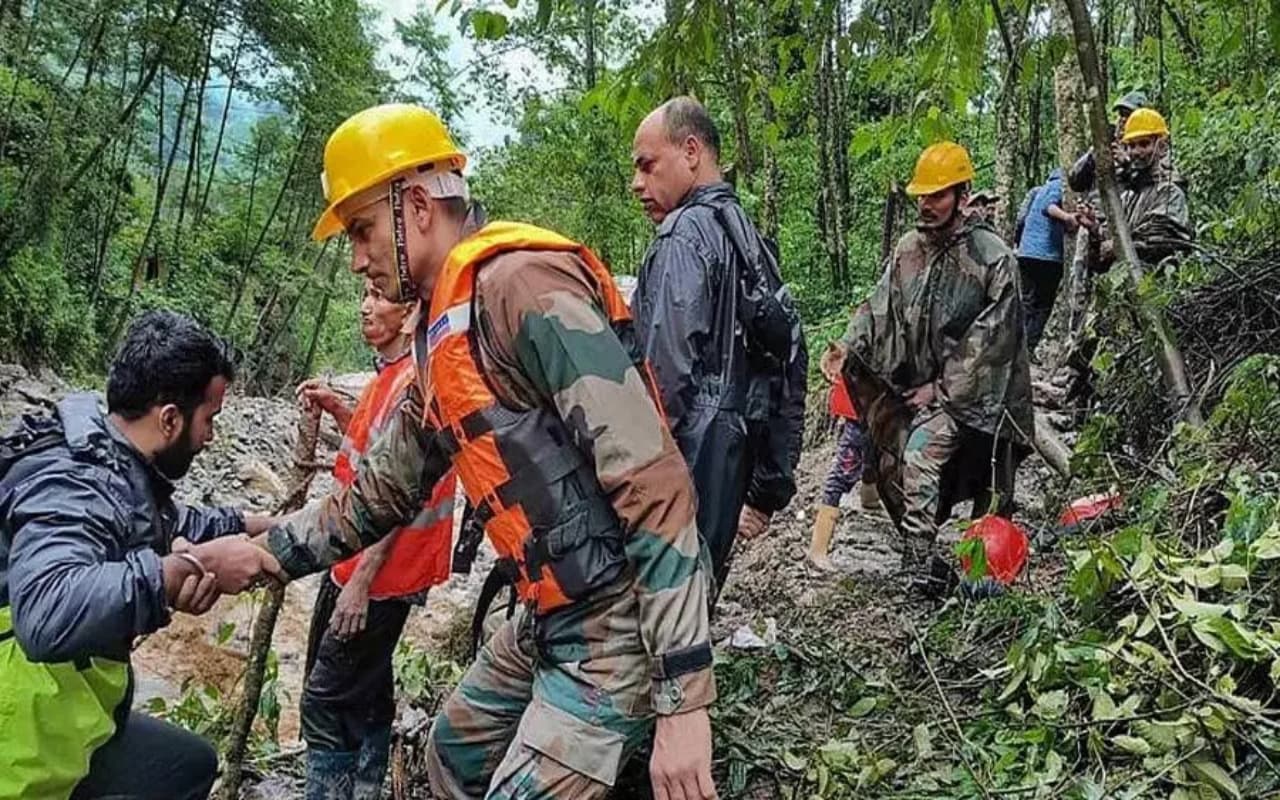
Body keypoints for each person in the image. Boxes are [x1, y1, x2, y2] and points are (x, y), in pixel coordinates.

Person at [257, 104, 717, 800]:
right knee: (448, 759)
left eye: (361, 230)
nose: (356, 258)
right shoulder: (443, 332)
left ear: (414, 207)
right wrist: (262, 554)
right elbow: (382, 488)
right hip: (549, 612)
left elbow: (655, 482)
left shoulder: (522, 287)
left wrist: (685, 703)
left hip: (616, 619)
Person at [0, 310, 283, 800]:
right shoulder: (73, 483)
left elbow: (158, 523)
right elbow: (45, 613)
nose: (210, 436)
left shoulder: (109, 455)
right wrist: (176, 575)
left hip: (68, 719)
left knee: (189, 765)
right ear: (170, 418)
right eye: (209, 420)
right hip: (21, 738)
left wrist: (254, 526)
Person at [630, 96, 806, 592]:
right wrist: (768, 487)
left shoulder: (683, 236)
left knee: (658, 619)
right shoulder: (749, 237)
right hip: (731, 463)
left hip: (683, 467)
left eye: (647, 165)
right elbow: (787, 366)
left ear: (691, 151)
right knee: (696, 609)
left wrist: (632, 481)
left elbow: (662, 377)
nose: (637, 183)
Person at [842, 141, 1033, 597]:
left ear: (963, 196)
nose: (926, 205)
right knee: (899, 455)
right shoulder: (910, 249)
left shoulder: (993, 257)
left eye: (938, 195)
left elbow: (993, 340)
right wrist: (849, 345)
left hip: (985, 395)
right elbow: (879, 306)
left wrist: (941, 390)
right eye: (922, 196)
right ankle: (921, 564)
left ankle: (979, 574)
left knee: (975, 479)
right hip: (923, 388)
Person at [295, 279, 458, 800]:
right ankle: (368, 786)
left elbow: (401, 491)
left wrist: (361, 582)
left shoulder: (413, 379)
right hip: (364, 562)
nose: (367, 306)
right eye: (364, 294)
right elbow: (376, 452)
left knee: (325, 699)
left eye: (380, 296)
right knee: (366, 685)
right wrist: (340, 410)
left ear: (411, 313)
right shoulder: (394, 374)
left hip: (381, 572)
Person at [1079, 108, 1193, 274]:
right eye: (1131, 145)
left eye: (1144, 144)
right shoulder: (1130, 195)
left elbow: (1161, 239)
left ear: (1161, 146)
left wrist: (1117, 247)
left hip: (1157, 287)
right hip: (1125, 287)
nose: (1136, 152)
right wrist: (1094, 227)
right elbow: (1111, 237)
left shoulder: (1169, 191)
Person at [807, 340, 879, 571]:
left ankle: (870, 499)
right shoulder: (860, 341)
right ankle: (818, 549)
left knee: (876, 463)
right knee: (839, 477)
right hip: (857, 423)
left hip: (881, 419)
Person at [1016, 168, 1080, 354]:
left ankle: (1018, 348)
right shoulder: (1059, 186)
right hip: (1047, 256)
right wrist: (1068, 217)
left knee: (1027, 303)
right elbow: (1049, 207)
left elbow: (1021, 220)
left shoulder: (1039, 190)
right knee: (1043, 305)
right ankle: (1027, 349)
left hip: (1026, 253)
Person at [1067, 91, 1150, 193]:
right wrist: (1094, 153)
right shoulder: (1108, 142)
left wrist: (1126, 164)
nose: (1123, 120)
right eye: (1121, 114)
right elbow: (1075, 182)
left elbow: (1146, 187)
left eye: (1128, 115)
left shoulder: (1148, 149)